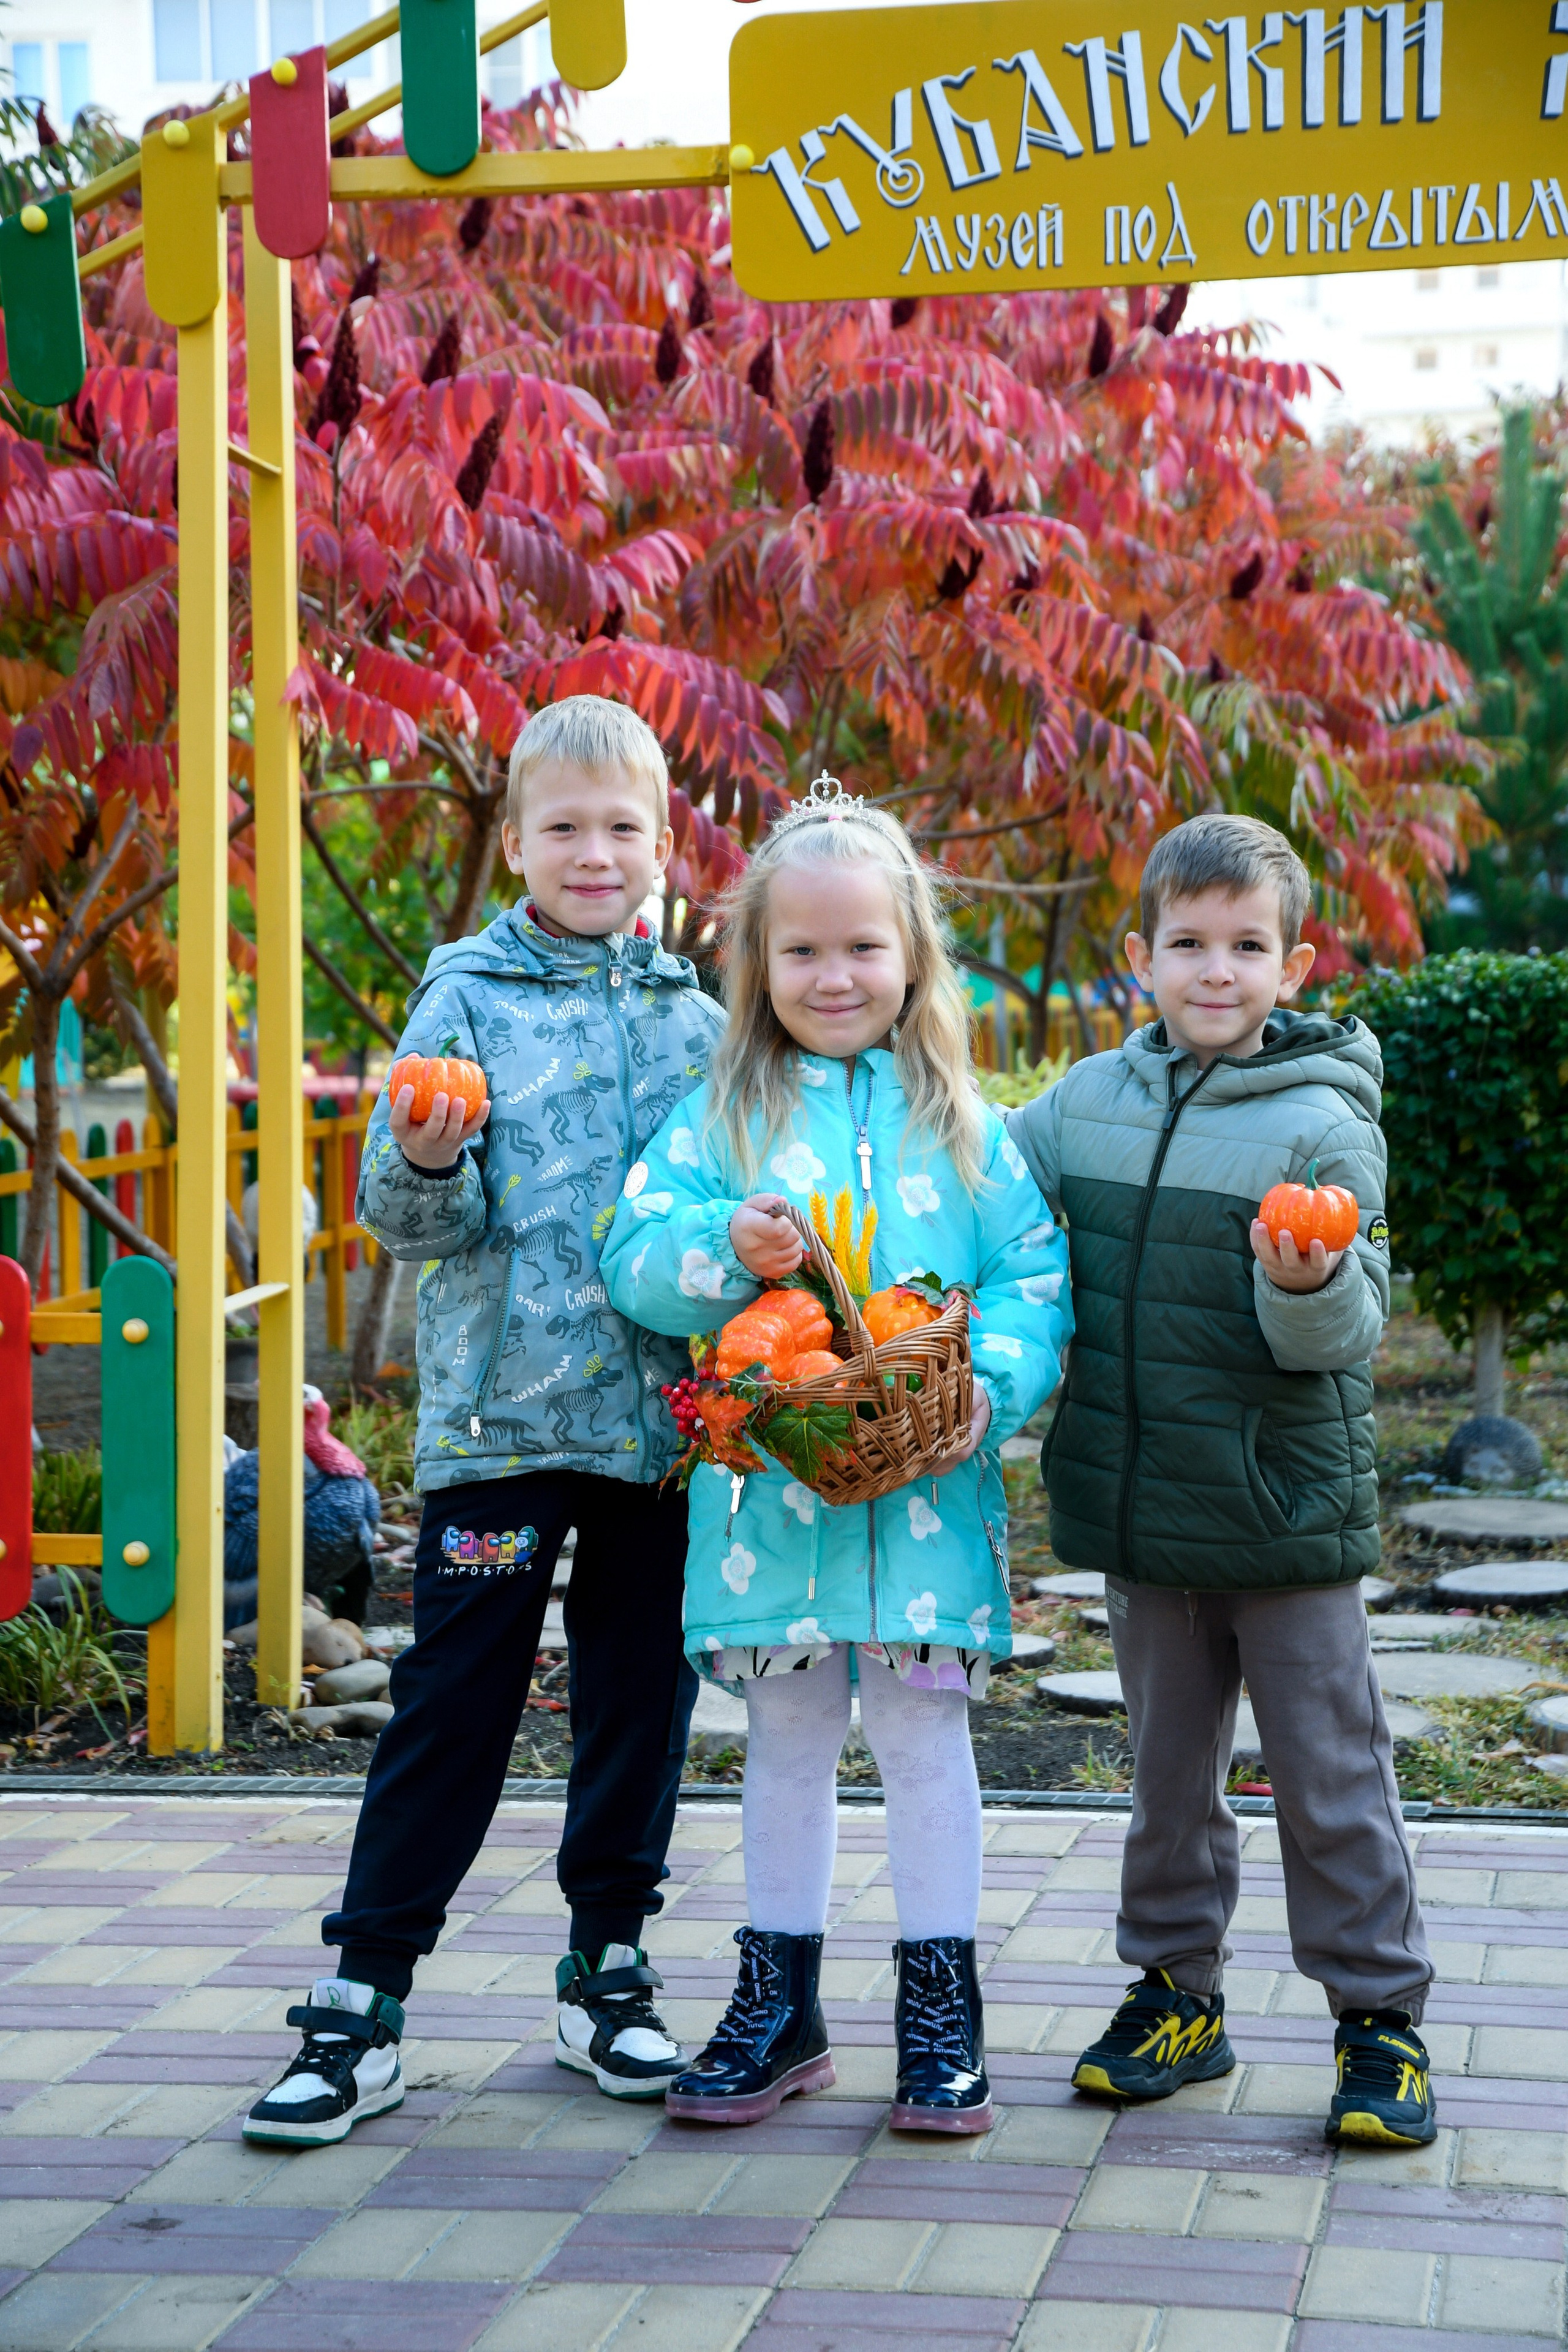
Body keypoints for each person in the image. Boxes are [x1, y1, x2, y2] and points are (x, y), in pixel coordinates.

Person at [243, 696, 722, 2148]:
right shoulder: (460, 1000)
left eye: (622, 828)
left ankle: (606, 1967)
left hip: (659, 1437)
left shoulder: (697, 1019)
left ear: (661, 847)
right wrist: (426, 1158)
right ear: (514, 842)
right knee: (455, 1701)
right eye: (563, 827)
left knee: (639, 1700)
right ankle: (365, 1996)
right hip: (498, 1432)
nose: (594, 854)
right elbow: (406, 1225)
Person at [601, 775, 1070, 2132]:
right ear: (756, 963)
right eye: (800, 950)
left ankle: (941, 2007)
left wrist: (987, 1389)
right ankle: (778, 2004)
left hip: (930, 1498)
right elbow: (634, 1258)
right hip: (772, 1505)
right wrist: (719, 1249)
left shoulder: (964, 1126)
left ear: (912, 953)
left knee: (924, 1737)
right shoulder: (720, 1119)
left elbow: (1033, 1277)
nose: (834, 974)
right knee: (788, 1741)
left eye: (862, 945)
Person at [1007, 812, 1436, 2150]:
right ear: (1139, 956)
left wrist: (1301, 1282)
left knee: (1329, 1776)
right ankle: (1175, 1995)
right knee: (1167, 1779)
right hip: (1145, 1514)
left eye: (1246, 946)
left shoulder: (1323, 1124)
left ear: (1292, 966)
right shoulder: (1081, 1103)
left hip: (1284, 1516)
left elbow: (1342, 1337)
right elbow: (981, 1198)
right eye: (1187, 943)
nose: (1214, 969)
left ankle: (1379, 2021)